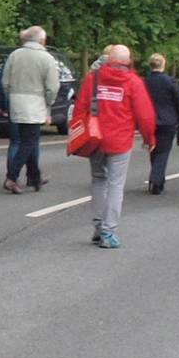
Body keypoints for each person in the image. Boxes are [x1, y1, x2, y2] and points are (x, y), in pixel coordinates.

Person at [70, 45, 156, 248]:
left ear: (109, 60)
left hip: (95, 138)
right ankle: (109, 232)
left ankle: (99, 226)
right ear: (128, 62)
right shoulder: (133, 82)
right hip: (119, 140)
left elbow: (80, 107)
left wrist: (78, 134)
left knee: (99, 180)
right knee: (116, 185)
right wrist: (149, 138)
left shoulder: (93, 78)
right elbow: (145, 115)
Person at [0, 26, 66, 194]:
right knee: (29, 142)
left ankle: (35, 177)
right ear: (42, 41)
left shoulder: (14, 55)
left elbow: (5, 82)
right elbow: (52, 87)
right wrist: (48, 103)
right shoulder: (46, 58)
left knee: (26, 139)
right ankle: (11, 177)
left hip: (16, 101)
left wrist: (11, 97)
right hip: (35, 103)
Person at [141, 53, 179, 195]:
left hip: (149, 120)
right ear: (163, 65)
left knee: (153, 149)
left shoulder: (144, 82)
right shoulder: (170, 82)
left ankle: (158, 179)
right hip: (167, 120)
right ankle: (156, 178)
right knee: (163, 151)